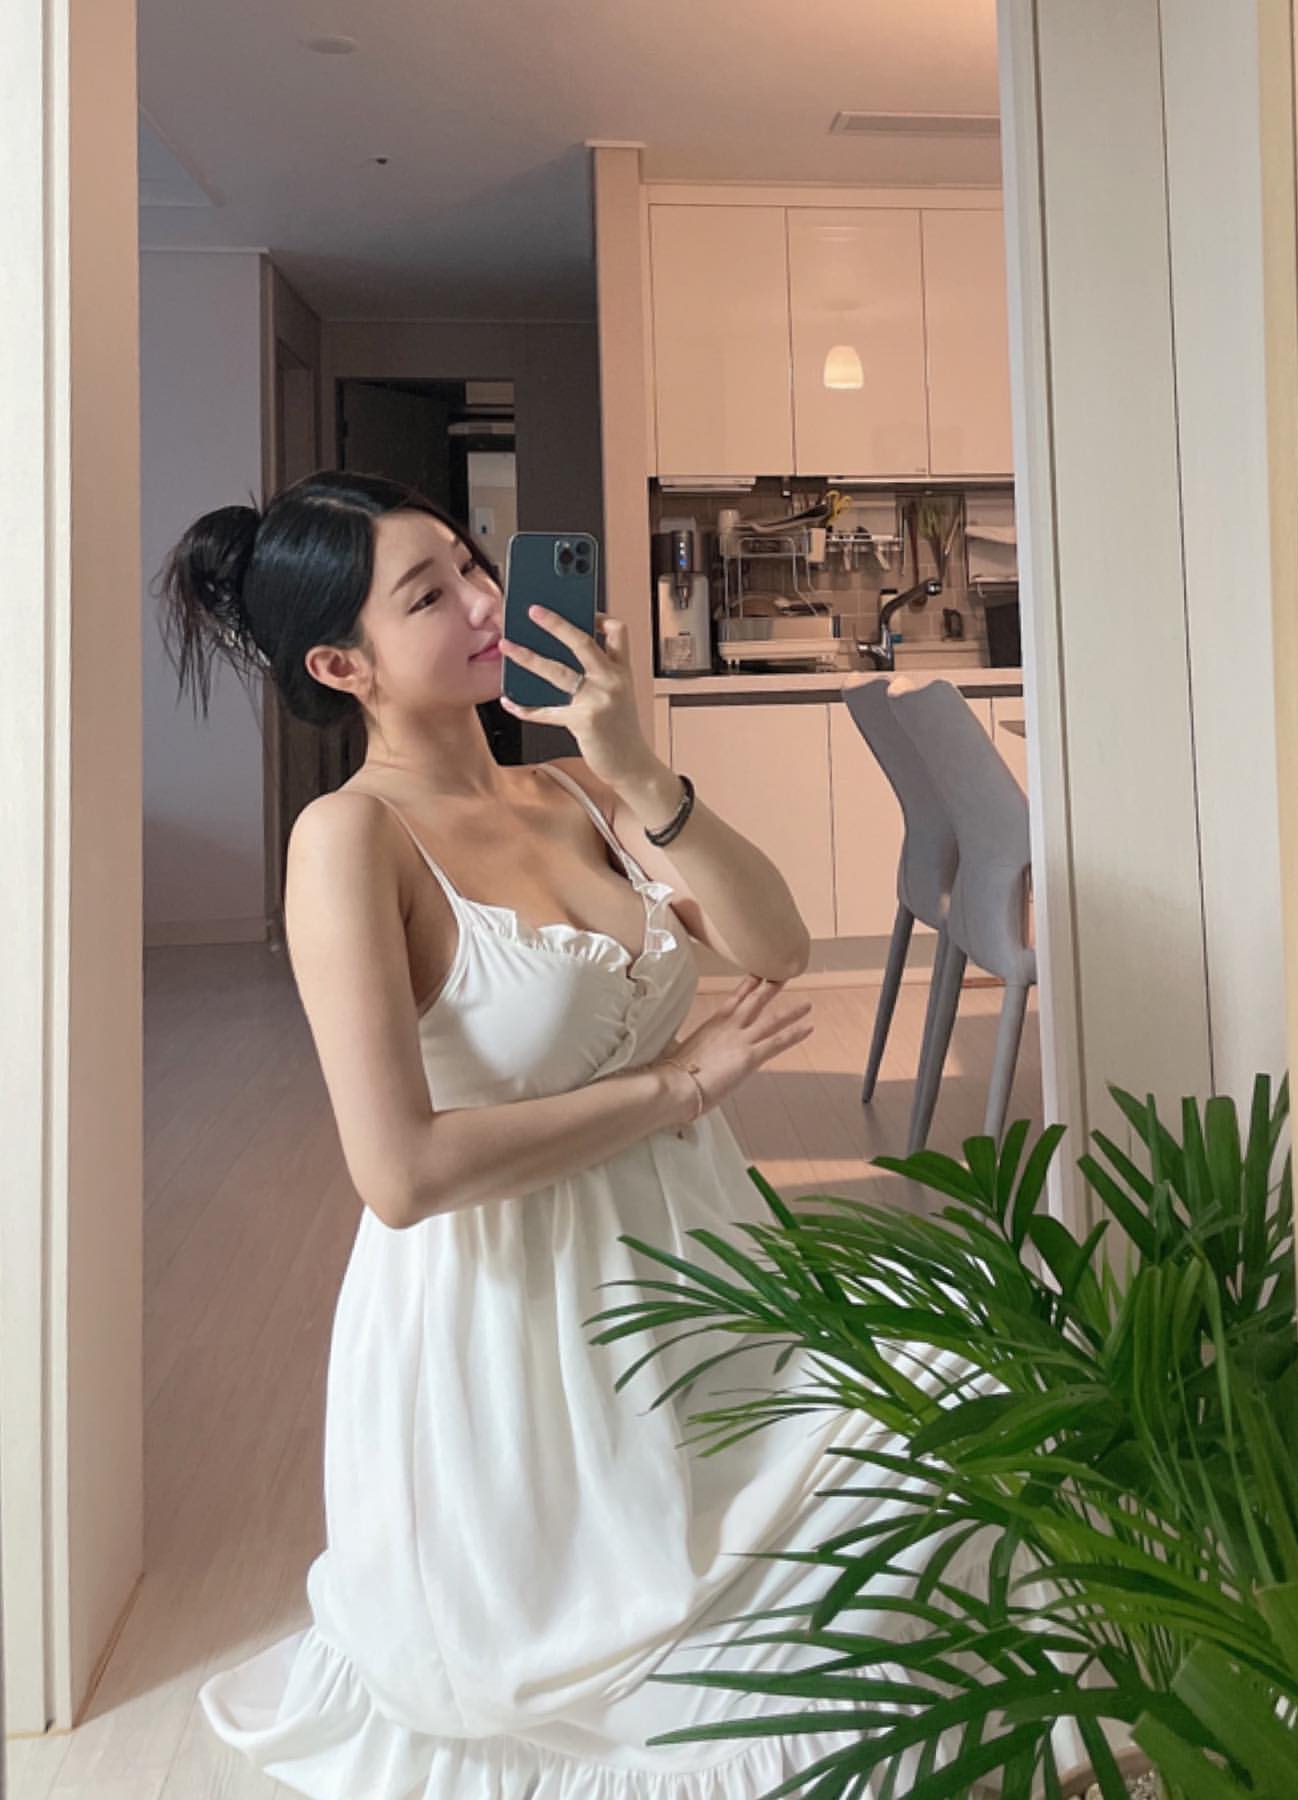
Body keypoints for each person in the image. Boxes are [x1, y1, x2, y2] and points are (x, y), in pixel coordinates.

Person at [157, 470, 967, 1798]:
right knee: (659, 1670)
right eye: (429, 595)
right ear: (342, 666)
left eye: (473, 564)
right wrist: (678, 1088)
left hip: (707, 1266)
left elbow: (773, 945)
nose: (485, 601)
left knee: (948, 1399)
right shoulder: (348, 841)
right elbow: (400, 1173)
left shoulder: (583, 792)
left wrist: (638, 763)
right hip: (522, 1330)